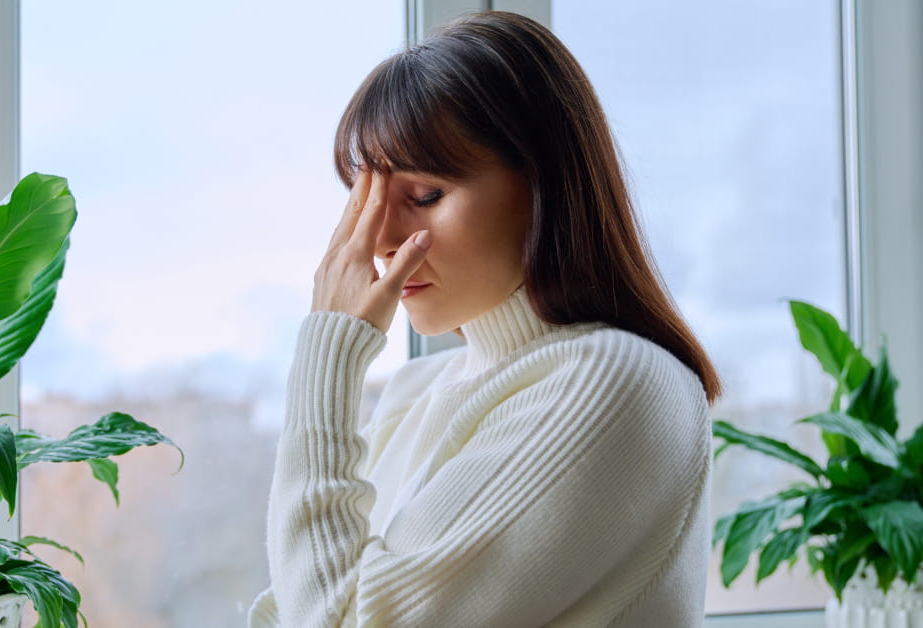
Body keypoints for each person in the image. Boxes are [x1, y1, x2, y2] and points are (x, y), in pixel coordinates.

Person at [249, 11, 720, 628]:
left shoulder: (615, 382)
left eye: (424, 197)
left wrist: (328, 353)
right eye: (364, 200)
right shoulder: (414, 393)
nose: (381, 239)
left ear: (543, 187)